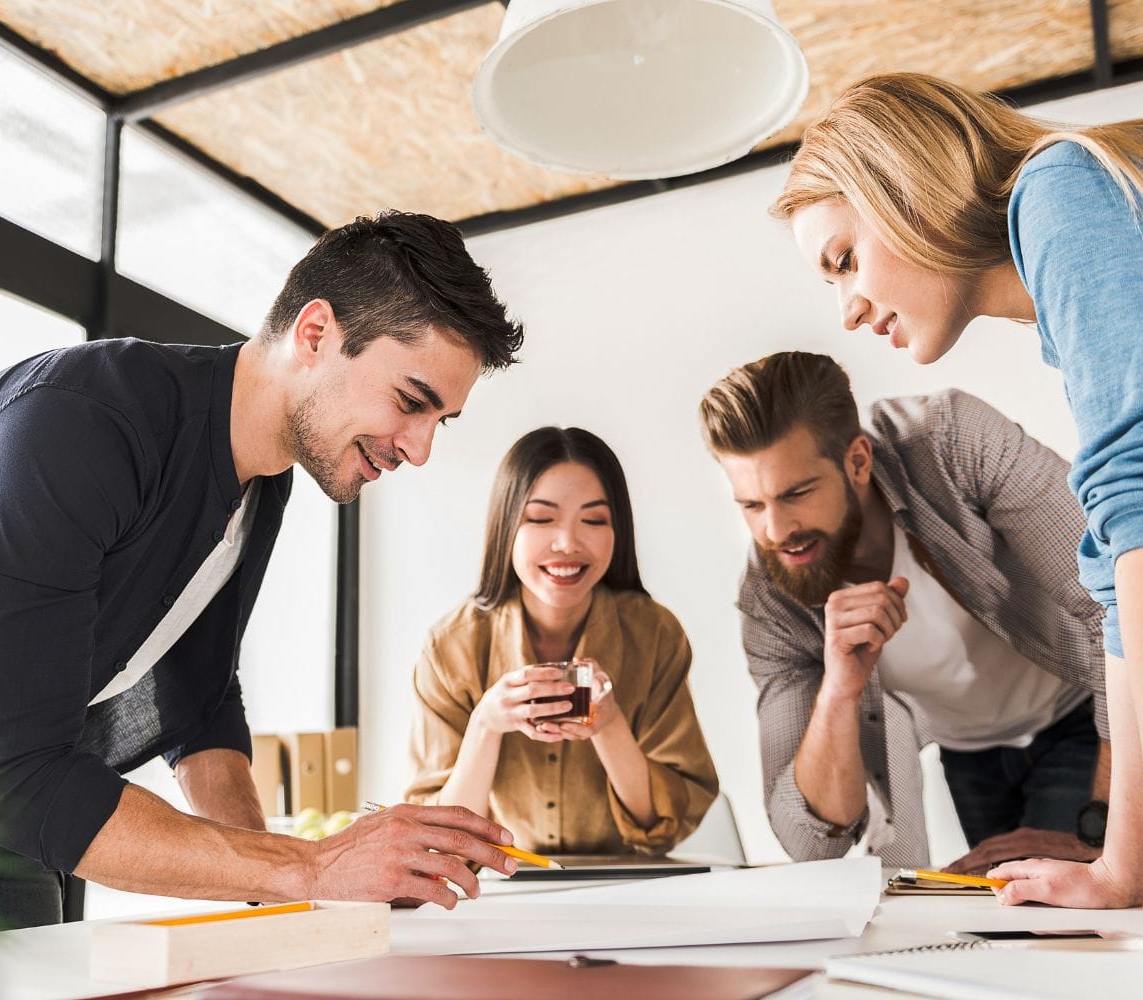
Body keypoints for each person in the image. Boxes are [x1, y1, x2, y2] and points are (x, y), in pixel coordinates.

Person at [0, 211, 526, 929]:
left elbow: (199, 704)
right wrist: (311, 865)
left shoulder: (262, 485)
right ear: (315, 335)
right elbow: (16, 775)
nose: (420, 449)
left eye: (440, 421)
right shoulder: (81, 419)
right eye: (410, 403)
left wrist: (295, 897)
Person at [772, 72, 1143, 907]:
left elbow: (1136, 525)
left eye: (844, 260)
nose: (848, 309)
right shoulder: (1061, 267)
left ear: (904, 188)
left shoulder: (1059, 192)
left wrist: (1120, 864)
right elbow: (1121, 568)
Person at [699, 352, 1107, 872]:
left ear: (858, 461)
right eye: (751, 506)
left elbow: (1114, 603)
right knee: (1013, 916)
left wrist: (1102, 824)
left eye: (796, 493)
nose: (776, 531)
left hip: (1083, 714)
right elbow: (811, 841)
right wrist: (840, 689)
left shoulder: (950, 439)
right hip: (968, 752)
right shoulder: (771, 597)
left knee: (1061, 913)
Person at [406, 427, 718, 854]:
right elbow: (442, 843)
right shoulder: (450, 647)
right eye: (540, 518)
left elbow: (663, 824)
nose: (568, 543)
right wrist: (486, 724)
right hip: (497, 896)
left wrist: (609, 726)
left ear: (618, 531)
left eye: (593, 520)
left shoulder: (655, 634)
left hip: (628, 890)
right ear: (506, 525)